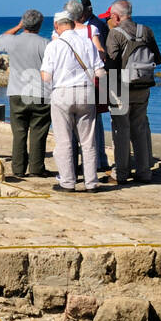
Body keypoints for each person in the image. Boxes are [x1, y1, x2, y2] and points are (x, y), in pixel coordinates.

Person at [41, 11, 106, 192]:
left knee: (64, 140)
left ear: (57, 26)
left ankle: (68, 182)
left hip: (62, 93)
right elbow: (100, 72)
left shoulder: (53, 46)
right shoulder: (87, 42)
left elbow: (46, 77)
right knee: (88, 141)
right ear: (72, 23)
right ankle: (91, 182)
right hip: (86, 92)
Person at [103, 0, 161, 183]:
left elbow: (111, 63)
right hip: (144, 86)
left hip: (122, 87)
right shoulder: (146, 30)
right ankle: (144, 172)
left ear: (115, 16)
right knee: (139, 127)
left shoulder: (115, 34)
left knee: (121, 131)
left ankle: (121, 173)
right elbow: (158, 59)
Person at [64, 0, 114, 181]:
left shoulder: (94, 27)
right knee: (92, 120)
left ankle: (98, 160)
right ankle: (96, 160)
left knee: (94, 120)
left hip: (94, 78)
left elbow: (99, 53)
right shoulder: (92, 25)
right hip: (95, 77)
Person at [0, 9, 51, 177]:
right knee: (38, 132)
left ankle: (18, 169)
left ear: (23, 24)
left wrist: (19, 26)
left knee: (19, 132)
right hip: (40, 92)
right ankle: (36, 168)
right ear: (40, 25)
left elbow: (2, 37)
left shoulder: (12, 41)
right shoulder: (45, 43)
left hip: (17, 92)